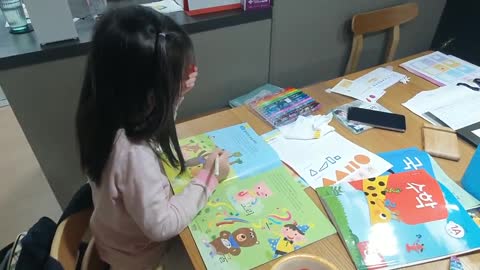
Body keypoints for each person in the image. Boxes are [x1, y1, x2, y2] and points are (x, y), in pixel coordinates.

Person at [75, 6, 230, 270]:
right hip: (140, 259)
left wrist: (176, 93)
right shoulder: (133, 154)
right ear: (147, 95)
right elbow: (162, 226)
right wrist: (209, 177)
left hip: (119, 240)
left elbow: (153, 123)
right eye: (168, 84)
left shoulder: (105, 113)